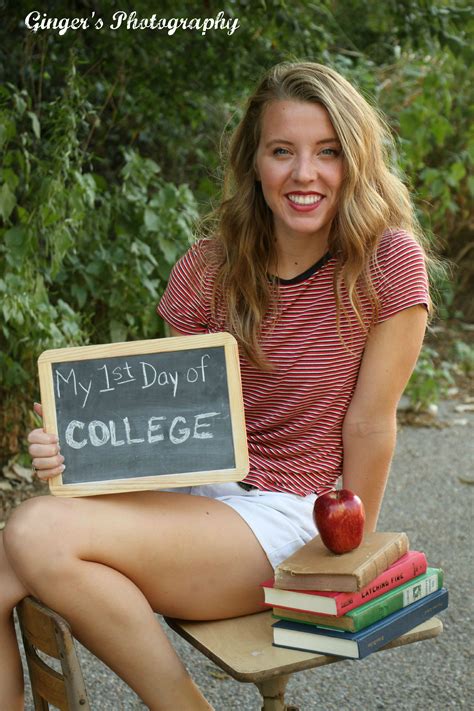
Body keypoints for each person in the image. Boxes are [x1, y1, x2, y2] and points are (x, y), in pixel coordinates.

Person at [1, 61, 430, 710]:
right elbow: (169, 434)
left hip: (285, 514)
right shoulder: (206, 269)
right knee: (12, 558)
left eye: (328, 152)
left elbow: (370, 425)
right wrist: (78, 451)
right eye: (282, 151)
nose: (304, 174)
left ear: (356, 160)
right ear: (254, 163)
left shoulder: (387, 263)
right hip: (192, 492)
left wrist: (343, 566)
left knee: (33, 533)